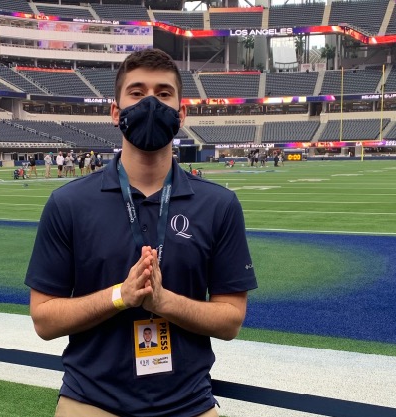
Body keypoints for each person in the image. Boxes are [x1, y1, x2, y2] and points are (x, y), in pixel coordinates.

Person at [25, 48, 257, 417]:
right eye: (136, 93)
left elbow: (230, 320)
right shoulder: (68, 203)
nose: (150, 103)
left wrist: (165, 303)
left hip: (189, 404)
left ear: (182, 113)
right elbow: (44, 319)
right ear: (115, 112)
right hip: (91, 401)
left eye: (164, 94)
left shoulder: (219, 205)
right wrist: (121, 295)